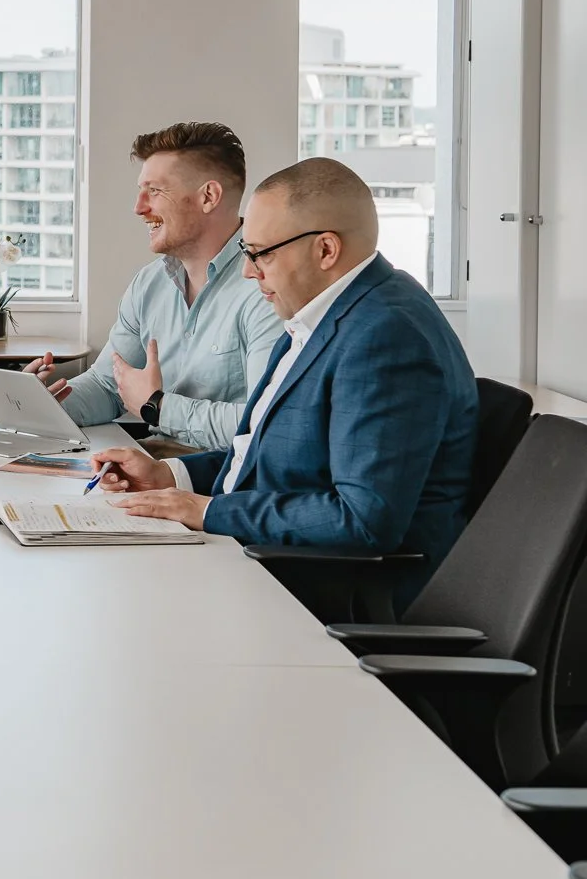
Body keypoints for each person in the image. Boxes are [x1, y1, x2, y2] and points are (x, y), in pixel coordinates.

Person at [94, 157, 478, 598]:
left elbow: (361, 520)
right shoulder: (321, 314)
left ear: (326, 250)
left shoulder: (387, 336)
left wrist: (209, 511)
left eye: (261, 254)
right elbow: (266, 458)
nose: (247, 271)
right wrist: (169, 475)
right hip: (262, 556)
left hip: (321, 591)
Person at [24, 122, 284, 450]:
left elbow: (265, 424)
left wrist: (158, 407)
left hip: (217, 482)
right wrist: (45, 408)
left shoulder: (267, 289)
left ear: (208, 197)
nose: (139, 207)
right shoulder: (149, 284)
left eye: (155, 191)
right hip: (151, 467)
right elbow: (108, 386)